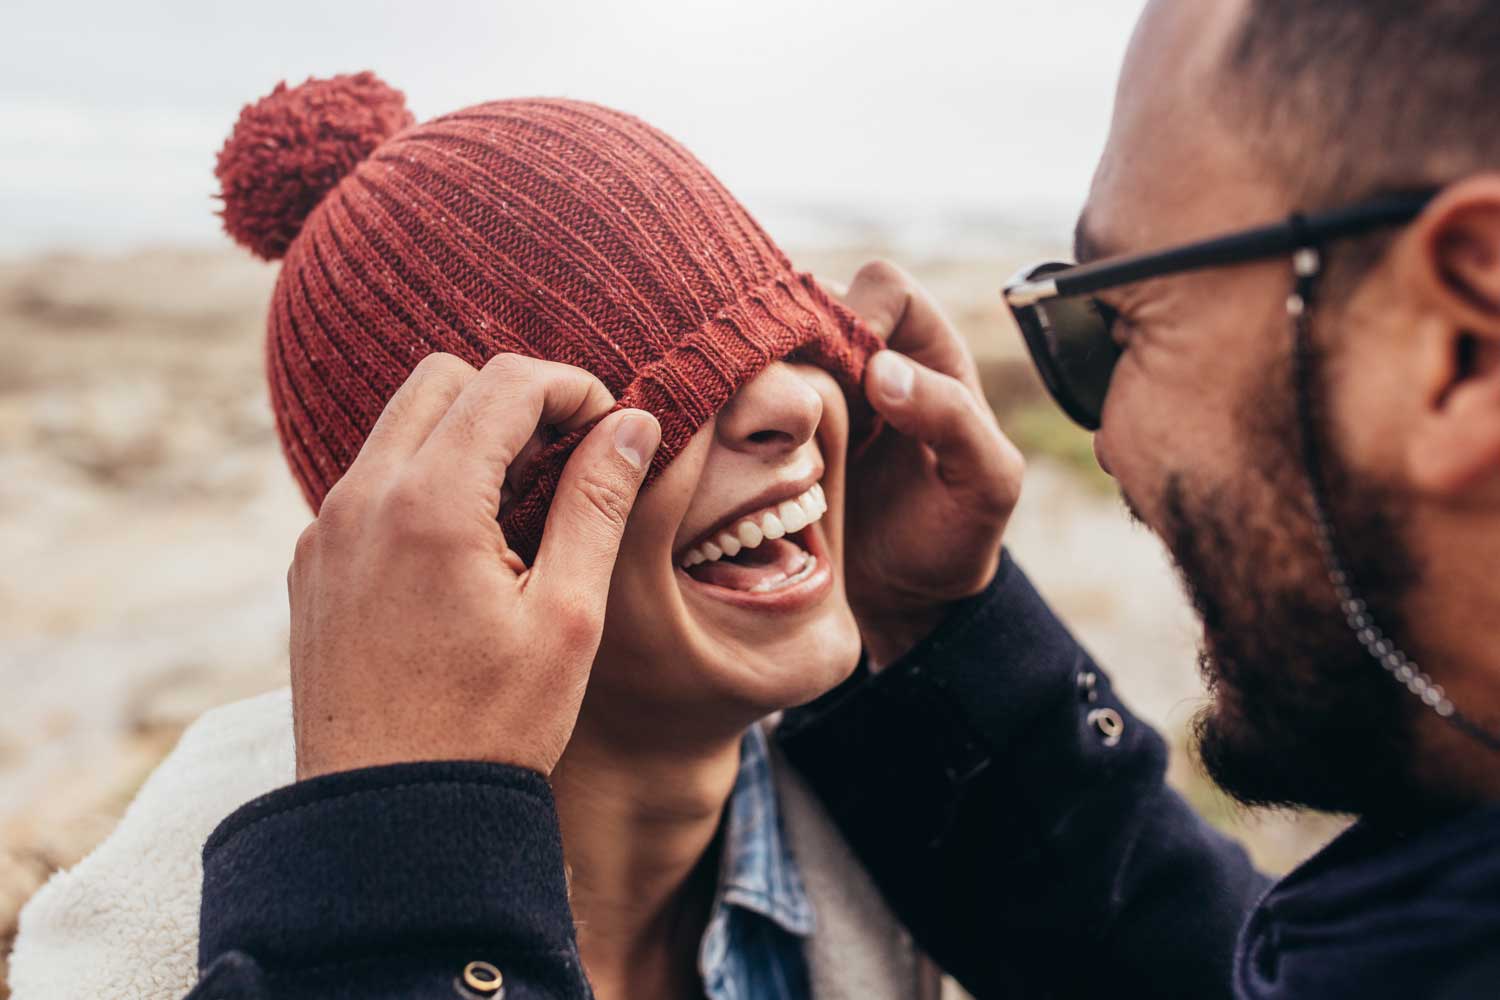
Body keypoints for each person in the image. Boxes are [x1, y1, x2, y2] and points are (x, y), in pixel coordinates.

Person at [8, 74, 1018, 1000]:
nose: (794, 407)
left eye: (792, 343)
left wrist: (959, 640)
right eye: (675, 392)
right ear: (466, 562)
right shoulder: (143, 967)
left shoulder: (923, 848)